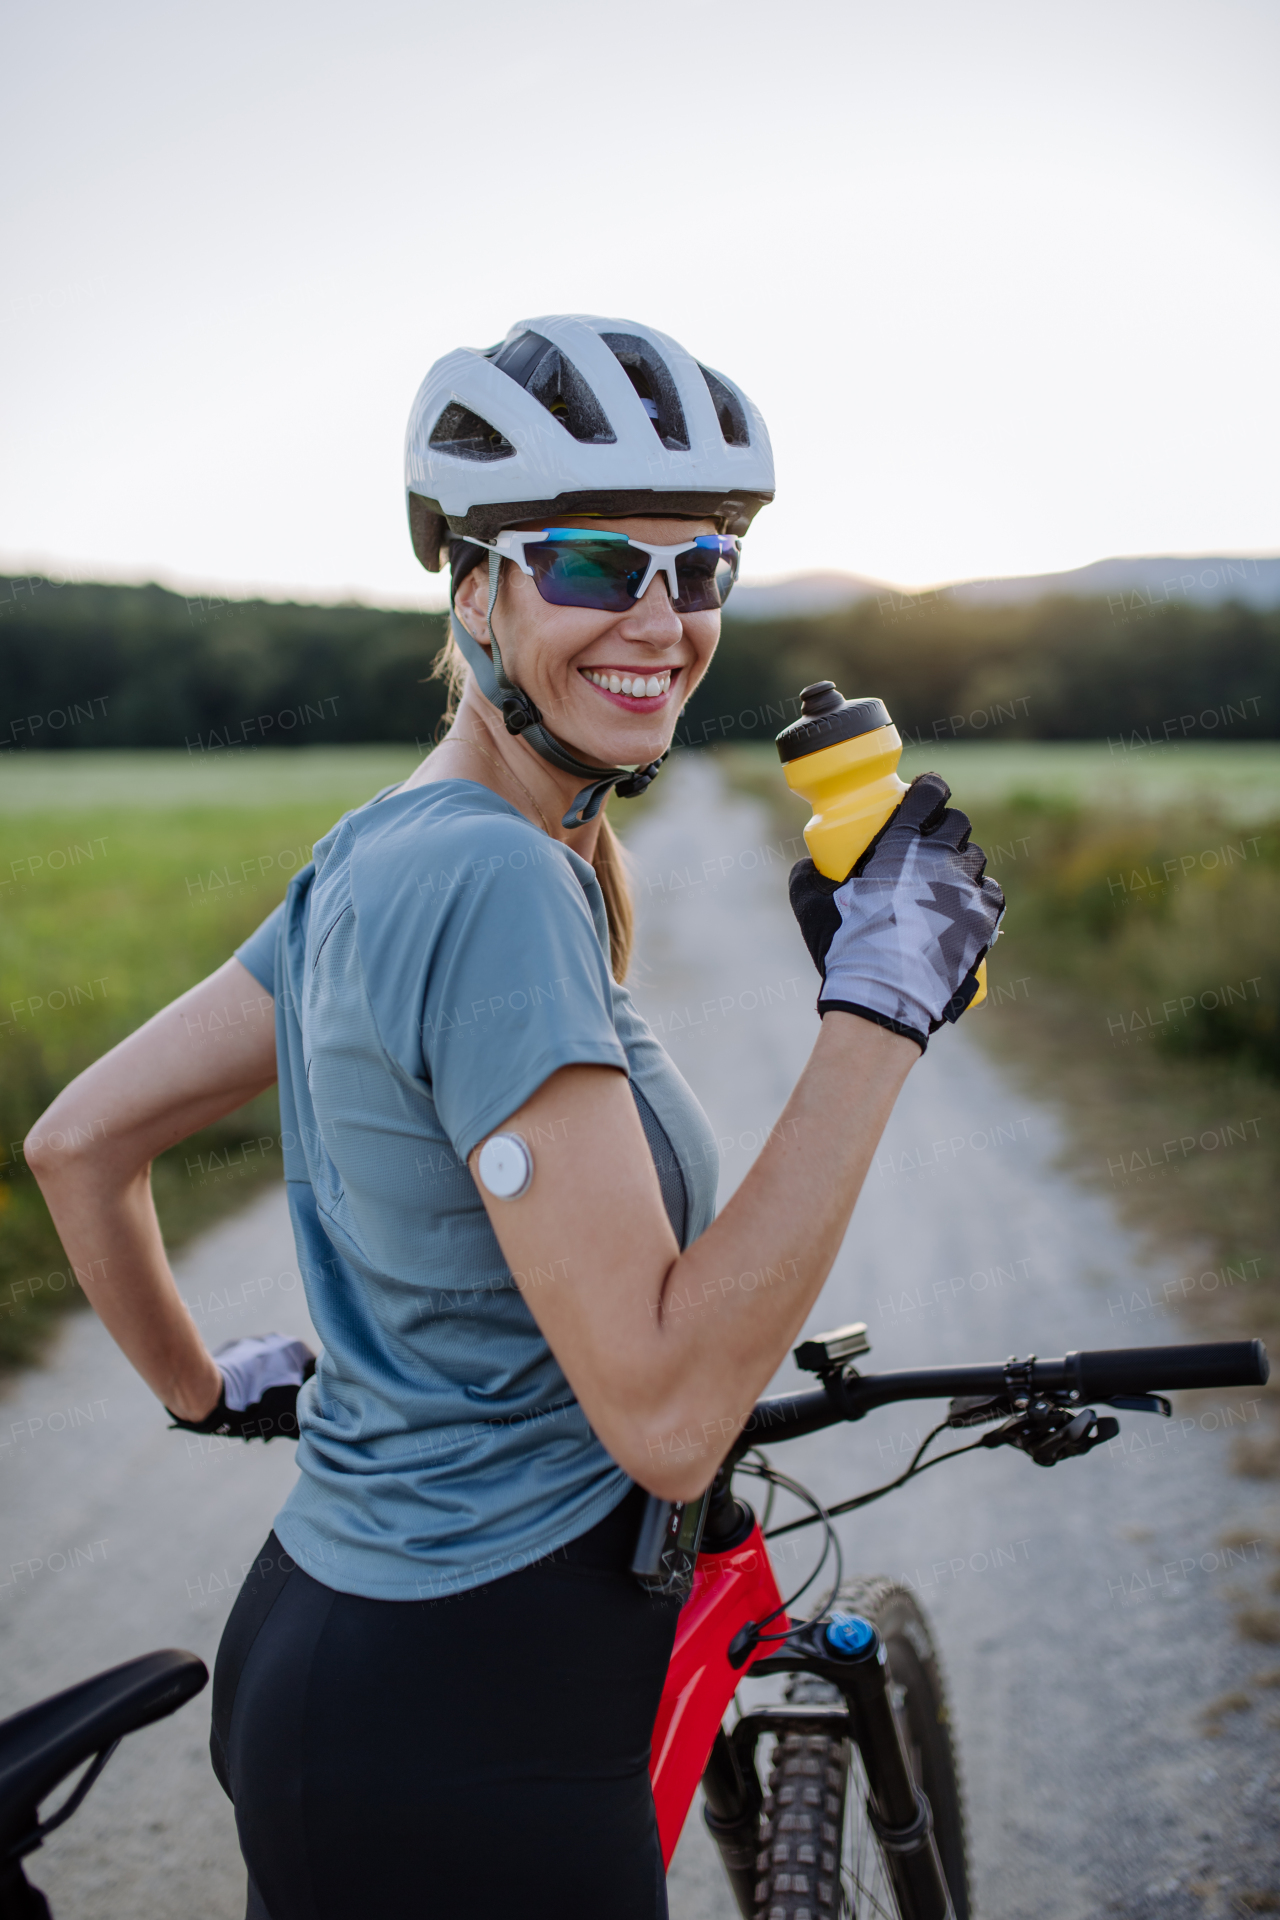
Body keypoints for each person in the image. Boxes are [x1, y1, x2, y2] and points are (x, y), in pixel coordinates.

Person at [25, 314, 1003, 1919]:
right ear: (470, 586)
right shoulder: (484, 876)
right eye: (595, 565)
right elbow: (673, 1420)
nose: (664, 619)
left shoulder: (382, 846)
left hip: (342, 1646)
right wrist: (882, 1011)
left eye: (702, 572)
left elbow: (80, 1144)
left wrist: (208, 1394)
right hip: (468, 1718)